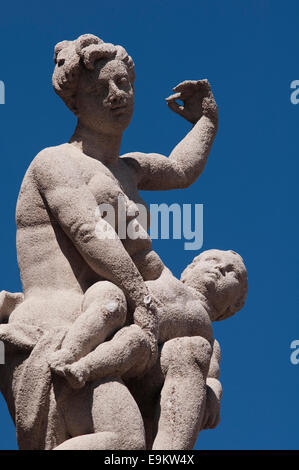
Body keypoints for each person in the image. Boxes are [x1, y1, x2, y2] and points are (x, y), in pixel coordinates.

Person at [0, 33, 218, 450]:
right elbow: (89, 232)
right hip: (71, 323)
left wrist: (207, 120)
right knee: (122, 444)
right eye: (100, 89)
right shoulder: (56, 162)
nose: (117, 96)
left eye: (124, 85)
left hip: (124, 322)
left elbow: (179, 168)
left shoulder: (129, 169)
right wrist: (143, 299)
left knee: (191, 352)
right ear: (74, 103)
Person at [48, 249, 248, 392]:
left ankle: (84, 369)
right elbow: (137, 249)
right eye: (212, 259)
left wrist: (213, 398)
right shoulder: (163, 274)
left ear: (234, 306)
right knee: (111, 305)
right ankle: (70, 351)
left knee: (136, 341)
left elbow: (210, 377)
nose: (220, 267)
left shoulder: (209, 338)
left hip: (145, 340)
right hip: (120, 304)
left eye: (233, 273)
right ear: (189, 269)